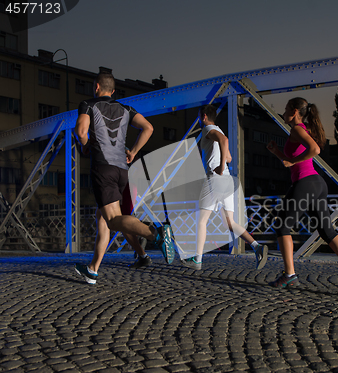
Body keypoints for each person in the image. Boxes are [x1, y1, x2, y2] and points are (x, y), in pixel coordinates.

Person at [74, 72, 174, 284]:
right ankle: (93, 269)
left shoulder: (88, 104)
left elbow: (81, 131)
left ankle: (156, 234)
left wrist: (85, 146)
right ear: (113, 91)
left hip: (102, 168)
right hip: (121, 170)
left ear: (97, 87)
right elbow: (149, 128)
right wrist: (134, 151)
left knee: (113, 220)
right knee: (103, 216)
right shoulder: (126, 109)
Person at [266, 97, 338, 296]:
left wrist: (291, 159)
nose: (283, 112)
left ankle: (289, 274)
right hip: (317, 185)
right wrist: (277, 152)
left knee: (282, 226)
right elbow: (292, 162)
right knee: (327, 231)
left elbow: (315, 150)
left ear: (294, 111)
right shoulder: (301, 130)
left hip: (305, 183)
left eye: (286, 109)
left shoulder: (297, 129)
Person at [181, 104, 268, 270]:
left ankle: (197, 260)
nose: (199, 119)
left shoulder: (207, 130)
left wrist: (219, 166)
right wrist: (222, 163)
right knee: (230, 223)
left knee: (201, 220)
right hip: (227, 181)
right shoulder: (219, 130)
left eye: (200, 116)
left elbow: (225, 143)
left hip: (215, 179)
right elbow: (228, 157)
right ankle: (257, 246)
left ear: (204, 116)